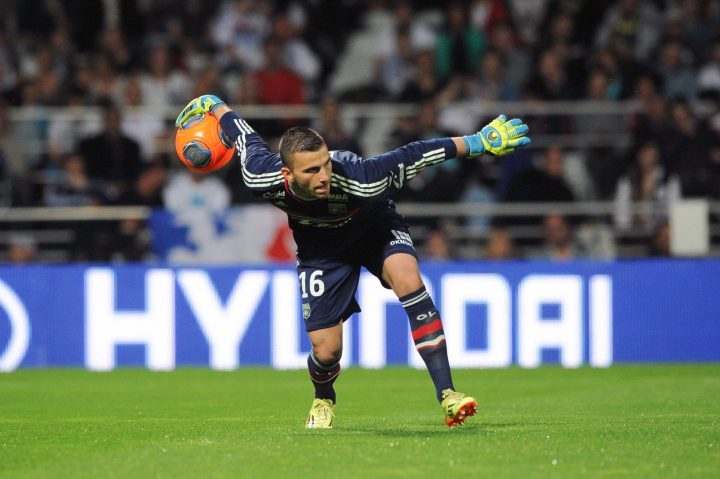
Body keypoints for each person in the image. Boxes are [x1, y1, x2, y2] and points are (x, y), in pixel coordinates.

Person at [175, 94, 531, 429]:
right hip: (322, 251)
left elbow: (417, 153)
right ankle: (323, 397)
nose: (324, 176)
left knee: (408, 279)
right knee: (326, 350)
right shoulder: (261, 176)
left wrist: (478, 142)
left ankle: (448, 395)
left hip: (375, 229)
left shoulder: (361, 179)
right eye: (312, 171)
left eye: (326, 164)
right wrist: (216, 105)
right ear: (287, 175)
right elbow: (243, 135)